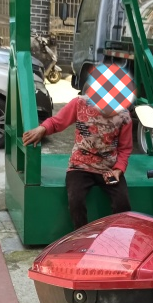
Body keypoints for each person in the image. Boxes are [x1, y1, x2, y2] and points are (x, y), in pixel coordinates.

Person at [22, 94, 133, 230]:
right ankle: (81, 236)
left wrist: (119, 169)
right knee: (76, 200)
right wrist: (42, 129)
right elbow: (58, 122)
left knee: (122, 203)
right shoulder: (80, 103)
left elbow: (125, 148)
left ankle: (119, 239)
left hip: (109, 168)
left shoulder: (124, 115)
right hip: (80, 166)